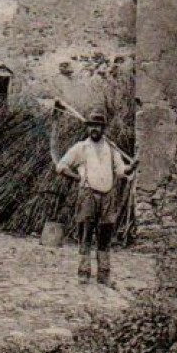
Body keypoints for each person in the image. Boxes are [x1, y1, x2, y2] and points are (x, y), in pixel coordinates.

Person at [54, 114, 135, 285]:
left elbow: (120, 171)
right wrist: (77, 178)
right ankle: (83, 272)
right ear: (87, 128)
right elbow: (61, 166)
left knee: (105, 234)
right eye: (91, 126)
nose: (94, 129)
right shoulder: (81, 148)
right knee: (86, 232)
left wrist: (131, 168)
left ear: (103, 128)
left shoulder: (112, 149)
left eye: (97, 126)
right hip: (88, 195)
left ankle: (103, 275)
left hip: (107, 196)